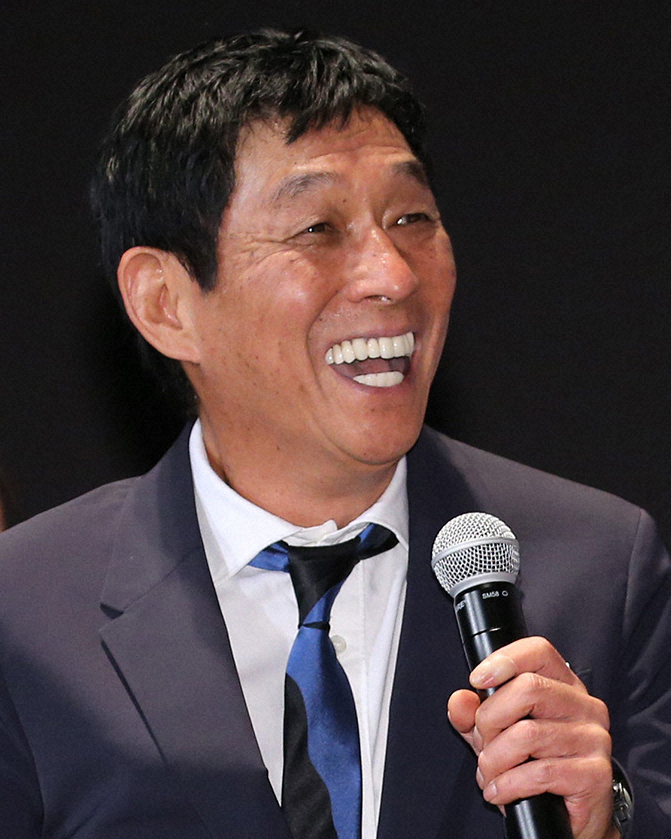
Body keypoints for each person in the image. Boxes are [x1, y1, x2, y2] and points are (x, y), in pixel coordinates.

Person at [0, 28, 669, 839]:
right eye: (316, 228)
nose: (393, 274)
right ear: (165, 302)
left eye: (411, 217)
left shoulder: (599, 568)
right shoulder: (25, 610)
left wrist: (602, 823)